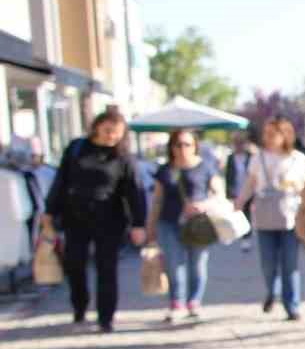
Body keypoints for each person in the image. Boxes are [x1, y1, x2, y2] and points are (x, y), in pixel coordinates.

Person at [42, 107, 147, 333]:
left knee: (106, 268)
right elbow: (61, 181)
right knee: (74, 264)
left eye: (117, 133)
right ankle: (79, 306)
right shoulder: (77, 148)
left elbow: (134, 191)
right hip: (76, 216)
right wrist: (49, 212)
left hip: (110, 219)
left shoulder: (124, 158)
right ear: (97, 126)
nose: (112, 136)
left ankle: (105, 317)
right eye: (108, 130)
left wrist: (139, 223)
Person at [235, 117, 305, 321]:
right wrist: (240, 201)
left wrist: (303, 198)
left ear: (284, 135)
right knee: (268, 263)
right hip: (265, 216)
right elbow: (250, 182)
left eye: (272, 133)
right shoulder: (258, 158)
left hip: (290, 217)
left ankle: (292, 305)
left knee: (290, 263)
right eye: (265, 134)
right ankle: (272, 290)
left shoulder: (298, 159)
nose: (267, 138)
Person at [146, 128, 224, 323]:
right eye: (177, 144)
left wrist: (204, 205)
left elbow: (219, 194)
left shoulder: (205, 167)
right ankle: (177, 303)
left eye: (187, 144)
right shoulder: (165, 170)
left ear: (195, 146)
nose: (182, 149)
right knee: (174, 265)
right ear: (171, 147)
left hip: (199, 224)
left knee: (197, 264)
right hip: (169, 223)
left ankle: (194, 302)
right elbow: (157, 200)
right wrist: (150, 227)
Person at [225, 134, 257, 254]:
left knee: (247, 213)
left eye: (241, 143)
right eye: (237, 143)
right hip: (236, 190)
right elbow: (228, 176)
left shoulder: (251, 157)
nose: (239, 146)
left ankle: (246, 237)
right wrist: (228, 192)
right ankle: (239, 232)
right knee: (238, 213)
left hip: (249, 190)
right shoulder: (231, 158)